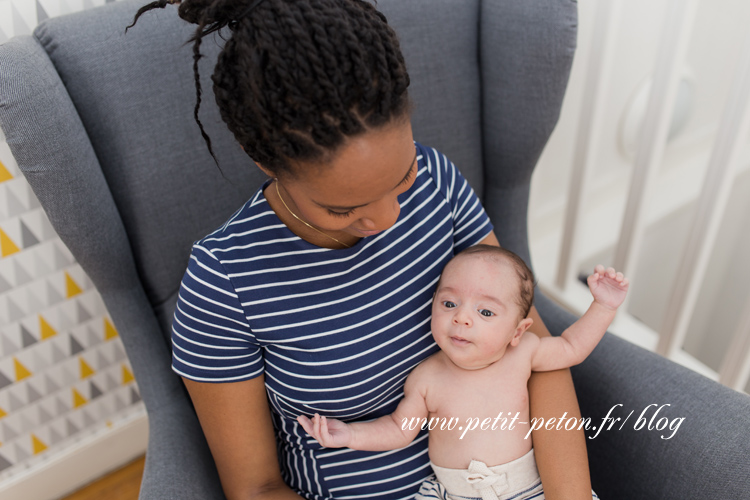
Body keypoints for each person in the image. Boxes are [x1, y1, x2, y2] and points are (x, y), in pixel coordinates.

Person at [128, 1, 593, 499]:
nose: (390, 217)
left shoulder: (436, 182)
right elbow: (256, 488)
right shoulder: (224, 282)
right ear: (262, 160)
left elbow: (538, 356)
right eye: (344, 209)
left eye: (402, 177)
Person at [298, 245, 627, 500]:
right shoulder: (426, 378)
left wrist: (604, 306)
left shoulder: (524, 352)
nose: (462, 318)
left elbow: (572, 347)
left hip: (531, 489)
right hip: (453, 493)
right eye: (449, 303)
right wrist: (351, 435)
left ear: (517, 331)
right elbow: (400, 429)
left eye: (485, 311)